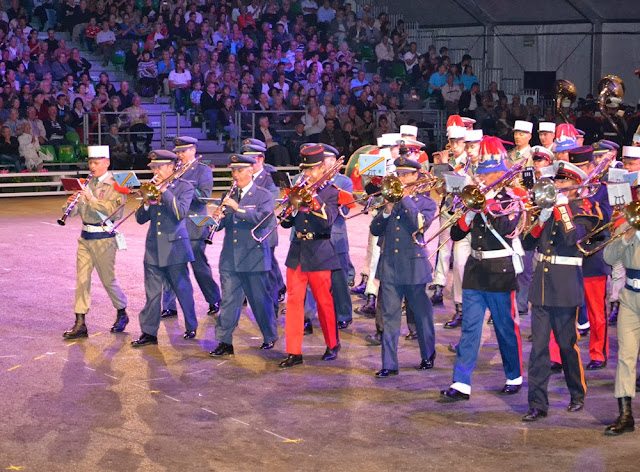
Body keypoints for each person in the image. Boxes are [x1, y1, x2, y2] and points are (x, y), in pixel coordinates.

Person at [440, 136, 524, 401]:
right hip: (476, 270)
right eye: (482, 174)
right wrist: (468, 211)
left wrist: (483, 205)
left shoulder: (510, 200)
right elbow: (455, 234)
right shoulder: (475, 200)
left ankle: (514, 375)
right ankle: (461, 382)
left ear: (501, 173)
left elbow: (505, 228)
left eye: (489, 174)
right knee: (470, 328)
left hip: (499, 270)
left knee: (504, 327)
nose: (484, 178)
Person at [521, 160, 597, 421]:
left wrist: (561, 209)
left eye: (564, 182)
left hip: (565, 284)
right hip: (542, 285)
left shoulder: (586, 209)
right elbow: (527, 243)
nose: (558, 186)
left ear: (577, 186)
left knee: (566, 345)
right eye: (557, 181)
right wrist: (540, 218)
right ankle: (538, 403)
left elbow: (570, 238)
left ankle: (577, 393)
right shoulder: (547, 208)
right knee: (539, 348)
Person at [371, 156, 437, 377]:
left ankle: (428, 354)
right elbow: (375, 229)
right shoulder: (391, 200)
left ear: (416, 176)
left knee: (422, 315)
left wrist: (405, 198)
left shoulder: (427, 203)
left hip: (414, 268)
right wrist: (387, 209)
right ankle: (389, 363)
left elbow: (419, 226)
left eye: (406, 175)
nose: (401, 179)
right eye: (398, 175)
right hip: (390, 267)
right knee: (390, 317)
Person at [208, 153, 279, 356]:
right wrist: (216, 219)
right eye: (233, 171)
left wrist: (237, 209)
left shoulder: (263, 195)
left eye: (239, 171)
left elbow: (263, 220)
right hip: (230, 256)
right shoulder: (228, 195)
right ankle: (224, 341)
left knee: (259, 299)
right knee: (229, 300)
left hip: (253, 256)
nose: (235, 175)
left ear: (250, 170)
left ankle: (269, 335)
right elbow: (224, 225)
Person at [279, 145, 341, 368]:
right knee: (294, 302)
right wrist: (289, 207)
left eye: (312, 169)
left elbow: (327, 220)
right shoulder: (299, 187)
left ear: (323, 167)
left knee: (324, 302)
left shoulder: (331, 192)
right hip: (297, 251)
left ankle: (332, 344)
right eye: (305, 170)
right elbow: (286, 224)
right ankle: (294, 352)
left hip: (319, 251)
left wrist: (312, 199)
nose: (308, 174)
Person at [61, 146, 129, 339]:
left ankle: (121, 310)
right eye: (90, 162)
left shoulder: (116, 184)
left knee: (108, 280)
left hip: (104, 239)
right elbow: (75, 212)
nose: (92, 166)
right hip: (85, 238)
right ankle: (80, 322)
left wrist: (90, 198)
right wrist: (70, 203)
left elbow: (113, 211)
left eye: (96, 163)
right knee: (82, 280)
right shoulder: (85, 183)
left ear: (107, 162)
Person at [131, 150, 198, 347]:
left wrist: (164, 191)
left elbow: (180, 213)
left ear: (171, 166)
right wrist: (145, 201)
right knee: (152, 294)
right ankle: (149, 333)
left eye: (159, 167)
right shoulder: (151, 187)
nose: (156, 171)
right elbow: (141, 219)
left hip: (175, 247)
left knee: (182, 289)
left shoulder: (184, 187)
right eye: (153, 167)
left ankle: (191, 325)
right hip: (153, 248)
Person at [161, 137, 221, 320]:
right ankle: (169, 306)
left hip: (194, 224)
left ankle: (214, 299)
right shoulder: (174, 170)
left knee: (199, 267)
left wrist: (184, 187)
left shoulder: (203, 170)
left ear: (193, 150)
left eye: (183, 151)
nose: (179, 155)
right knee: (171, 266)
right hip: (173, 223)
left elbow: (204, 197)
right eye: (177, 152)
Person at [602, 176, 640, 435]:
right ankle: (625, 415)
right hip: (630, 296)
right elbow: (608, 256)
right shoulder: (626, 221)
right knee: (625, 357)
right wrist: (627, 235)